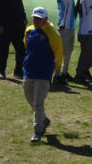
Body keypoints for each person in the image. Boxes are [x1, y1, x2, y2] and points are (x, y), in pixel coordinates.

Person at [22, 7, 63, 142]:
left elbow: (58, 55)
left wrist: (49, 71)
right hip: (29, 72)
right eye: (34, 17)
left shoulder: (53, 35)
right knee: (30, 100)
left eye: (39, 18)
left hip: (43, 75)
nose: (36, 20)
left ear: (45, 19)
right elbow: (26, 46)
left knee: (38, 103)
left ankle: (37, 131)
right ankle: (43, 119)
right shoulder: (29, 30)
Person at [54, 0, 86, 84]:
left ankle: (64, 73)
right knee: (61, 52)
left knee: (68, 52)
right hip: (65, 28)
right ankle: (56, 76)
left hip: (70, 27)